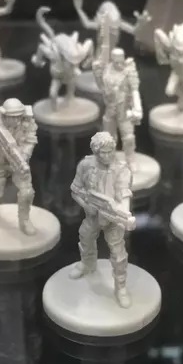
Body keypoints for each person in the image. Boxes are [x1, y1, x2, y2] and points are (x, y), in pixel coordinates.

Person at [69, 131, 134, 308]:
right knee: (85, 237)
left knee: (118, 253)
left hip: (113, 218)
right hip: (92, 215)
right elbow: (75, 190)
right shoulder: (85, 165)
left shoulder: (122, 169)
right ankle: (87, 264)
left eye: (110, 151)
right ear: (95, 152)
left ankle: (120, 287)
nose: (107, 156)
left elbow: (124, 194)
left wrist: (123, 213)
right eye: (102, 152)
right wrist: (86, 205)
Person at [0, 98, 38, 234]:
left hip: (19, 161)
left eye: (18, 116)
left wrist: (24, 156)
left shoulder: (28, 123)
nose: (16, 120)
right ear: (4, 115)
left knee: (27, 192)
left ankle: (24, 220)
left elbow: (30, 140)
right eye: (12, 117)